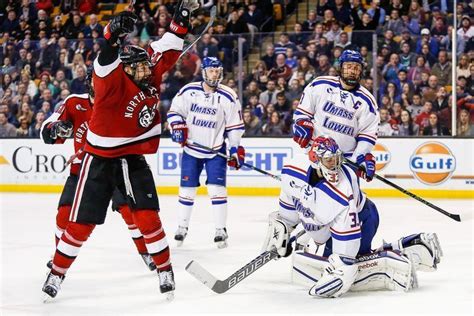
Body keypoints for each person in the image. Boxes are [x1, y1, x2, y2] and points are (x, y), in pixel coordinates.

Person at [42, 0, 200, 301]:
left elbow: (168, 45)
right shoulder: (110, 81)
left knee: (146, 217)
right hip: (97, 160)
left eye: (144, 64)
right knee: (79, 223)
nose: (145, 69)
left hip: (131, 158)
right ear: (124, 69)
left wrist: (181, 18)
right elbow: (105, 60)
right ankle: (57, 273)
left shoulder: (145, 71)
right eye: (138, 66)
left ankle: (164, 269)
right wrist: (111, 34)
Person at [262, 136, 442, 298]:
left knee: (347, 266)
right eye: (329, 160)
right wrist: (284, 226)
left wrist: (342, 268)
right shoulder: (293, 170)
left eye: (337, 159)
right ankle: (407, 247)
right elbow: (292, 199)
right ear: (316, 161)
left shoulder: (342, 193)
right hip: (332, 226)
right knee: (325, 264)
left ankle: (396, 257)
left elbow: (345, 255)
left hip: (363, 220)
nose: (335, 165)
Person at [40, 68, 157, 272]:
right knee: (64, 214)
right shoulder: (74, 103)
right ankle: (59, 253)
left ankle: (145, 252)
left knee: (131, 213)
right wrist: (56, 128)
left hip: (118, 167)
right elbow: (48, 127)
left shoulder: (120, 102)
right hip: (83, 172)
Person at [166, 57, 245, 248]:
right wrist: (177, 125)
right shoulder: (189, 91)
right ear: (204, 72)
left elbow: (235, 127)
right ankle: (182, 227)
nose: (215, 74)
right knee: (187, 190)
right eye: (211, 71)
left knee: (217, 190)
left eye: (218, 71)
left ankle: (220, 229)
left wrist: (235, 148)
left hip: (215, 150)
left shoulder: (229, 96)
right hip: (191, 150)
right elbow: (174, 112)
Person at [292, 50, 380, 182]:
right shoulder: (320, 85)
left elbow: (367, 136)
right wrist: (301, 125)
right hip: (313, 155)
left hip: (344, 163)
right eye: (349, 67)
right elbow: (302, 113)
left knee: (348, 202)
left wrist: (360, 159)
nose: (352, 71)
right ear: (340, 67)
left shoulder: (367, 101)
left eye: (356, 68)